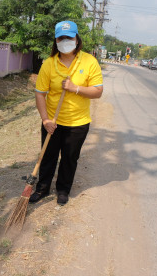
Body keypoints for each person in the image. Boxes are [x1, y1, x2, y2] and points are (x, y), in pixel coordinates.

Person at [29, 20, 103, 205]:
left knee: (69, 158)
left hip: (78, 123)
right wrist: (46, 120)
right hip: (52, 122)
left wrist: (75, 88)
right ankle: (42, 188)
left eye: (69, 37)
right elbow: (40, 94)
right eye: (61, 38)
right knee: (47, 157)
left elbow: (98, 91)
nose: (65, 41)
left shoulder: (89, 61)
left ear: (77, 39)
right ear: (56, 41)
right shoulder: (49, 64)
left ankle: (63, 190)